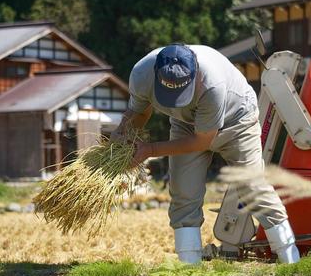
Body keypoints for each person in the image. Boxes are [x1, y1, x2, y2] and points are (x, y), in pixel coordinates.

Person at [110, 44, 300, 264]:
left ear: (195, 76)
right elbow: (140, 111)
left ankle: (291, 261)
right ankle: (189, 269)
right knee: (184, 194)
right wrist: (122, 134)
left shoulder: (212, 84)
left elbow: (202, 141)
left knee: (252, 188)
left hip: (237, 121)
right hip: (185, 122)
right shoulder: (142, 73)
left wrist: (149, 150)